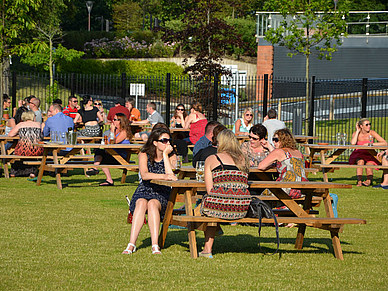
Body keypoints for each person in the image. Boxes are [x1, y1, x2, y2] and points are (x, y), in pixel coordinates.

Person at [122, 128, 177, 255]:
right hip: (145, 189)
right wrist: (163, 176)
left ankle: (155, 245)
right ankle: (131, 244)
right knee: (141, 203)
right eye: (164, 140)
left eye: (169, 140)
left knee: (152, 204)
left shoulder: (171, 156)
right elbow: (145, 175)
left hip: (162, 192)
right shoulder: (144, 154)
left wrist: (165, 155)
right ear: (155, 142)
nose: (167, 143)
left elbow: (171, 175)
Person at [199, 129, 250, 258]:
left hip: (220, 207)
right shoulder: (243, 159)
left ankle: (207, 249)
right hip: (241, 207)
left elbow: (210, 190)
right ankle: (216, 230)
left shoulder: (212, 159)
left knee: (209, 206)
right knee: (214, 204)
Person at [258, 128, 308, 199]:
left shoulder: (279, 151)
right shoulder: (298, 152)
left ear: (283, 140)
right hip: (301, 190)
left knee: (260, 198)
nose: (274, 142)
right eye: (273, 139)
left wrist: (269, 147)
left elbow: (261, 166)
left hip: (285, 190)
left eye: (276, 140)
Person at [86, 113, 133, 186]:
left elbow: (114, 142)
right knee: (99, 152)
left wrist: (112, 131)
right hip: (113, 155)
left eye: (114, 119)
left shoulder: (124, 131)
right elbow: (107, 142)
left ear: (120, 121)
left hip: (120, 158)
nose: (112, 121)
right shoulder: (115, 131)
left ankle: (96, 169)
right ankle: (98, 170)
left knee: (101, 157)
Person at [349, 118, 387, 187]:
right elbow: (353, 143)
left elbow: (384, 143)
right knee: (360, 162)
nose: (369, 126)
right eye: (366, 124)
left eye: (370, 124)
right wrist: (357, 131)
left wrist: (371, 144)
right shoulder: (356, 134)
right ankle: (359, 181)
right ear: (361, 126)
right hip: (359, 154)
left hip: (370, 154)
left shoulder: (372, 133)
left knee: (369, 164)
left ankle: (369, 181)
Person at [8, 110, 43, 178]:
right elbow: (41, 135)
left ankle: (15, 172)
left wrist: (19, 133)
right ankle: (32, 172)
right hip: (37, 150)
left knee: (17, 153)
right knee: (32, 155)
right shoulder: (38, 124)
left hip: (23, 150)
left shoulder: (20, 125)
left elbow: (10, 134)